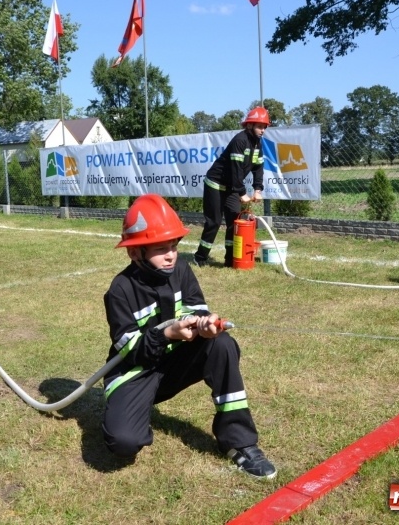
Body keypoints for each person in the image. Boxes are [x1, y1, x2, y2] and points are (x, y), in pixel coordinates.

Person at [102, 194, 277, 479]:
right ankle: (130, 412)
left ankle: (240, 443)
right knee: (124, 442)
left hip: (174, 365)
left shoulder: (181, 269)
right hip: (135, 372)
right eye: (161, 248)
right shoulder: (120, 290)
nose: (171, 255)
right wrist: (167, 333)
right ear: (134, 253)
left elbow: (197, 310)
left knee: (221, 344)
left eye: (174, 246)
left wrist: (205, 326)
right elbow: (131, 351)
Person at [193, 107, 268, 267]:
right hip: (215, 184)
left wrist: (258, 189)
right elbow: (236, 170)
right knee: (214, 222)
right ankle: (200, 258)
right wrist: (242, 193)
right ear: (249, 125)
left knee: (234, 223)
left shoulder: (257, 143)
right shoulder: (240, 140)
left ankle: (230, 260)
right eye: (260, 126)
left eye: (264, 127)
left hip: (231, 188)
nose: (263, 130)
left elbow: (258, 167)